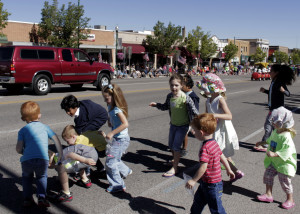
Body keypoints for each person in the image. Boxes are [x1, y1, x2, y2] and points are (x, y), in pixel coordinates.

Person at [197, 73, 244, 182]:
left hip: (221, 130)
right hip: (213, 130)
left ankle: (235, 172)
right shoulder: (208, 100)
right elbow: (207, 114)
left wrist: (215, 115)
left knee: (217, 152)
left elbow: (229, 115)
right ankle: (233, 171)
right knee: (220, 153)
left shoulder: (220, 99)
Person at [149, 74, 199, 177]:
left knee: (176, 147)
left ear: (181, 85)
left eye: (176, 85)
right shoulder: (170, 96)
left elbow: (194, 112)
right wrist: (156, 105)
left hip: (183, 126)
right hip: (173, 125)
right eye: (172, 85)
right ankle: (175, 161)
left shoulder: (186, 98)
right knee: (171, 146)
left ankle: (175, 168)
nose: (174, 88)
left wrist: (195, 126)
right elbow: (165, 106)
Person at [16, 101, 63, 207]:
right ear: (39, 115)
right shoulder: (45, 127)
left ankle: (27, 199)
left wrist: (25, 152)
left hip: (27, 160)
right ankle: (42, 198)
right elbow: (56, 140)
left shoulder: (22, 131)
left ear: (23, 118)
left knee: (27, 178)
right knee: (42, 177)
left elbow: (18, 149)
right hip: (42, 159)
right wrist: (60, 155)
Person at [186, 113, 235, 214]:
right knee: (197, 203)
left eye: (194, 130)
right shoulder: (213, 142)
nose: (192, 132)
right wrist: (229, 169)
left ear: (201, 132)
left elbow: (203, 167)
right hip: (206, 182)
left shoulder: (205, 148)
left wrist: (193, 180)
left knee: (216, 209)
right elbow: (222, 156)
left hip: (213, 185)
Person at [255, 107, 296, 210]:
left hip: (284, 163)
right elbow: (270, 140)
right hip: (274, 162)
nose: (272, 122)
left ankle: (290, 199)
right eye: (272, 120)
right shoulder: (276, 131)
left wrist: (275, 154)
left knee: (285, 182)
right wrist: (263, 142)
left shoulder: (286, 136)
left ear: (283, 123)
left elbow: (288, 150)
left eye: (275, 121)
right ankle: (268, 194)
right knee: (267, 176)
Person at [253, 64, 296, 152]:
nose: (270, 72)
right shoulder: (273, 81)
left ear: (276, 73)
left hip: (278, 109)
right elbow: (272, 93)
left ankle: (264, 144)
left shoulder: (280, 82)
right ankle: (273, 144)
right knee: (274, 128)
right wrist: (265, 91)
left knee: (268, 125)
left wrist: (283, 91)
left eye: (271, 71)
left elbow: (288, 93)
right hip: (272, 108)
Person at [100, 83, 132, 193]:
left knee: (110, 162)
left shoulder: (118, 110)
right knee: (114, 159)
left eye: (107, 98)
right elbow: (113, 119)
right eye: (104, 98)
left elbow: (125, 124)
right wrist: (110, 122)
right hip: (118, 139)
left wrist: (112, 132)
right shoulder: (110, 107)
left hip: (122, 140)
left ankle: (118, 185)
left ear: (114, 97)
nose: (105, 101)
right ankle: (126, 171)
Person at [181, 74, 200, 157]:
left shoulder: (193, 97)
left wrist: (194, 123)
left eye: (182, 85)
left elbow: (195, 110)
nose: (180, 87)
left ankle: (184, 149)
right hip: (182, 117)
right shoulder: (183, 94)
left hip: (189, 119)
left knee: (183, 133)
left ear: (188, 86)